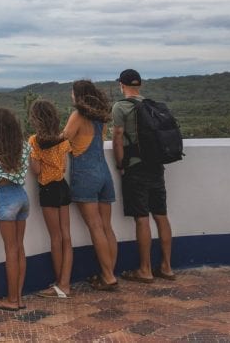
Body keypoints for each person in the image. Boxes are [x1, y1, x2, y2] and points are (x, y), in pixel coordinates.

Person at [112, 68, 176, 283]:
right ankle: (167, 267)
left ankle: (145, 269)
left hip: (136, 167)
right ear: (139, 85)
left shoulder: (121, 107)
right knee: (161, 215)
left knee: (142, 219)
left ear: (121, 85)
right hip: (156, 166)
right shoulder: (151, 106)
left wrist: (120, 164)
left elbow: (118, 138)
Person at [62, 79, 118, 291]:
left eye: (72, 92)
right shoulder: (101, 118)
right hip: (104, 172)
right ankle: (109, 273)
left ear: (78, 95)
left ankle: (108, 276)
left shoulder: (78, 116)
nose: (71, 95)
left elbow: (63, 138)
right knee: (106, 226)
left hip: (85, 174)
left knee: (95, 227)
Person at [0, 107, 31, 311]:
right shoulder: (25, 146)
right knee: (19, 247)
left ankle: (11, 300)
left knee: (10, 250)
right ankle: (18, 298)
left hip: (6, 199)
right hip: (22, 196)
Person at [28, 99, 73, 299]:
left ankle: (60, 285)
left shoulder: (35, 141)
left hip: (48, 189)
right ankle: (66, 282)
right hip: (63, 187)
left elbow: (36, 170)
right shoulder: (62, 140)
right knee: (66, 237)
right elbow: (63, 167)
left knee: (55, 238)